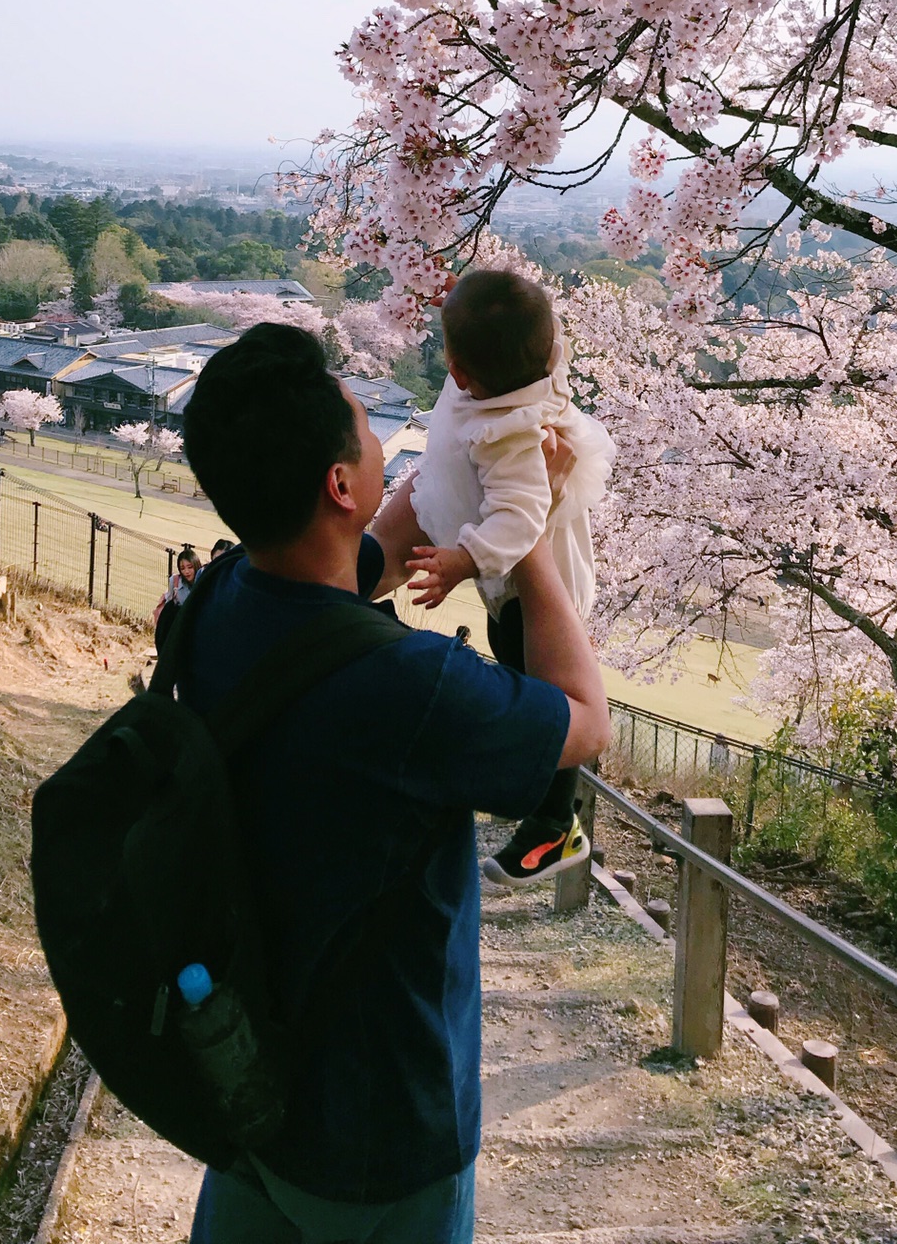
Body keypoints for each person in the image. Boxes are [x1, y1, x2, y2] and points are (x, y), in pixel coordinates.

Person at [178, 322, 610, 1244]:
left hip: (247, 1079)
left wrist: (469, 458)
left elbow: (359, 559)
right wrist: (523, 534)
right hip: (384, 1126)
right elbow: (582, 721)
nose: (385, 443)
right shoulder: (411, 690)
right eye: (370, 432)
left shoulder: (219, 603)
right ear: (339, 484)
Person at [395, 268, 614, 890]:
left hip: (539, 589)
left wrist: (463, 558)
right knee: (517, 673)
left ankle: (553, 823)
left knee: (548, 696)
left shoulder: (512, 435)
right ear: (552, 352)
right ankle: (540, 807)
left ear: (459, 371)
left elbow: (522, 518)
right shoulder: (529, 377)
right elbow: (535, 339)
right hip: (516, 589)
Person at [153, 545, 203, 654]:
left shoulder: (203, 581)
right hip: (180, 631)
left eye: (190, 567)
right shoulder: (175, 581)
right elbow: (169, 606)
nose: (186, 572)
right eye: (183, 568)